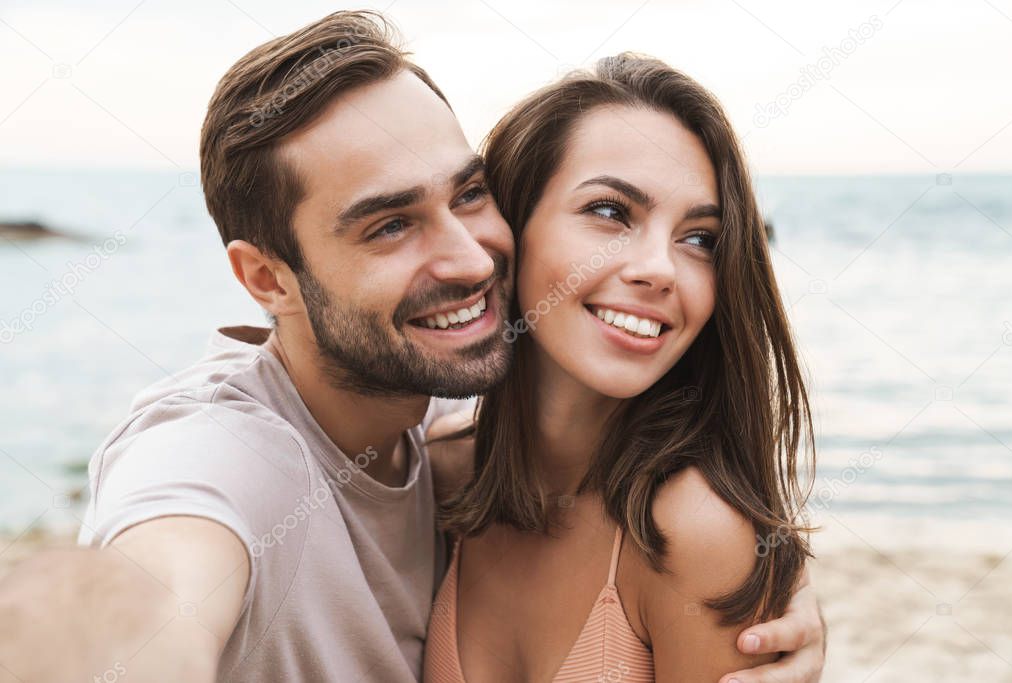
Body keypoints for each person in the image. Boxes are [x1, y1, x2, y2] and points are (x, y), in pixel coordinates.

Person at [0, 12, 824, 683]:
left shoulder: (446, 464)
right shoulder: (236, 454)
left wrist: (751, 569)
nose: (468, 257)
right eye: (390, 223)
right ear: (267, 278)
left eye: (467, 194)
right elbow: (155, 580)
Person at [423, 55, 818, 682]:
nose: (659, 269)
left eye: (701, 239)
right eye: (611, 212)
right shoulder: (440, 479)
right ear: (508, 228)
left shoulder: (693, 533)